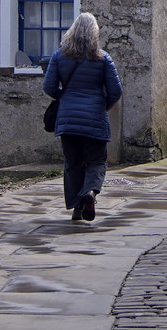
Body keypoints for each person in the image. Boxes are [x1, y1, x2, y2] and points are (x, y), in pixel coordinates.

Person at [43, 12, 123, 222]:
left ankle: (77, 209)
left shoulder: (59, 56)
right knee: (96, 160)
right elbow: (116, 90)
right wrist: (102, 104)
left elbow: (48, 86)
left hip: (68, 120)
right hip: (95, 118)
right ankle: (91, 193)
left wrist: (65, 98)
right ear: (95, 33)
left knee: (73, 163)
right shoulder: (103, 58)